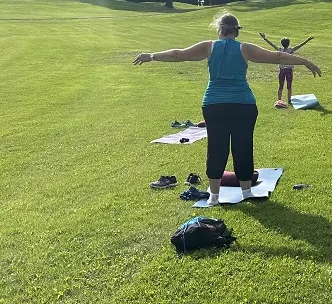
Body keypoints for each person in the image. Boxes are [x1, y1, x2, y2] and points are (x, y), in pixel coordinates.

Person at [134, 12, 321, 206]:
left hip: (214, 105)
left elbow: (178, 54)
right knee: (243, 146)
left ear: (219, 29)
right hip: (244, 105)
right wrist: (305, 61)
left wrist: (152, 56)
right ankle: (246, 192)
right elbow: (277, 56)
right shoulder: (244, 48)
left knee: (216, 147)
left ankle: (214, 197)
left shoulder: (209, 46)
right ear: (236, 32)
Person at [259, 33, 313, 103]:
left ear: (282, 44)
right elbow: (299, 45)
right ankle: (289, 100)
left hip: (281, 71)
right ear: (288, 43)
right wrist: (307, 40)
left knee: (280, 86)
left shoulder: (279, 50)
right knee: (289, 87)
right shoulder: (290, 50)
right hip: (289, 71)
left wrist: (265, 38)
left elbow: (272, 44)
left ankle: (279, 100)